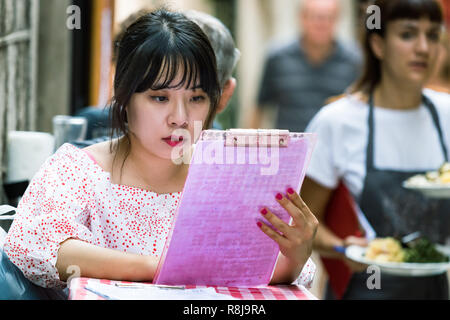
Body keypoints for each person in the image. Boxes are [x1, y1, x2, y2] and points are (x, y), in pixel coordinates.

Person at [1, 8, 318, 299]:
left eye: (196, 98)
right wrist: (164, 268)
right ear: (124, 95)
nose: (179, 117)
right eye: (159, 97)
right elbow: (40, 248)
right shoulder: (78, 170)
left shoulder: (231, 175)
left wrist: (295, 255)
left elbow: (262, 275)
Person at [301, 0, 450, 299]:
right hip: (365, 287)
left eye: (433, 35)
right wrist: (342, 248)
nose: (423, 47)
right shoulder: (337, 121)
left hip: (434, 289)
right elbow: (302, 220)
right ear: (378, 44)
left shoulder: (447, 114)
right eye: (408, 34)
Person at [251, 0, 362, 132]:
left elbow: (361, 110)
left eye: (329, 17)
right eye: (316, 17)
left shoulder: (355, 61)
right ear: (301, 18)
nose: (322, 24)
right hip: (289, 149)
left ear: (338, 19)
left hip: (337, 148)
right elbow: (259, 108)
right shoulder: (277, 57)